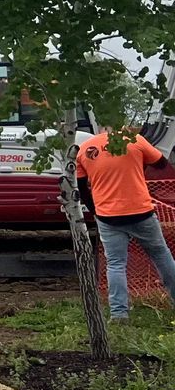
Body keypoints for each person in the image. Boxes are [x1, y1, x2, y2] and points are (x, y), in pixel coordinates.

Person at [77, 127, 175, 321]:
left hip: (108, 216)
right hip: (141, 212)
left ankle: (119, 314)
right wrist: (139, 165)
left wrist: (96, 211)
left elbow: (81, 187)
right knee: (162, 256)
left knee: (115, 264)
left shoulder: (85, 149)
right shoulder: (134, 140)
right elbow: (162, 163)